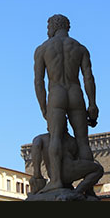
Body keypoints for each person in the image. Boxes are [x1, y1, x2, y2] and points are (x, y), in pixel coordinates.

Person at [34, 14, 99, 193]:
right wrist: (92, 104)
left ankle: (55, 180)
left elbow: (38, 82)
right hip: (75, 93)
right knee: (83, 141)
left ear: (54, 26)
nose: (47, 31)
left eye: (48, 26)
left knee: (55, 136)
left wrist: (44, 108)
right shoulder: (80, 48)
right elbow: (88, 78)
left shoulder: (43, 49)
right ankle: (89, 188)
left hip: (57, 94)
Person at [29, 117, 103, 199]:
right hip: (70, 171)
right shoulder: (71, 140)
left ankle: (75, 191)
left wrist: (37, 174)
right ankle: (77, 191)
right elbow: (78, 159)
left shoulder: (41, 138)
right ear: (65, 126)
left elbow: (36, 146)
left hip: (53, 175)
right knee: (98, 169)